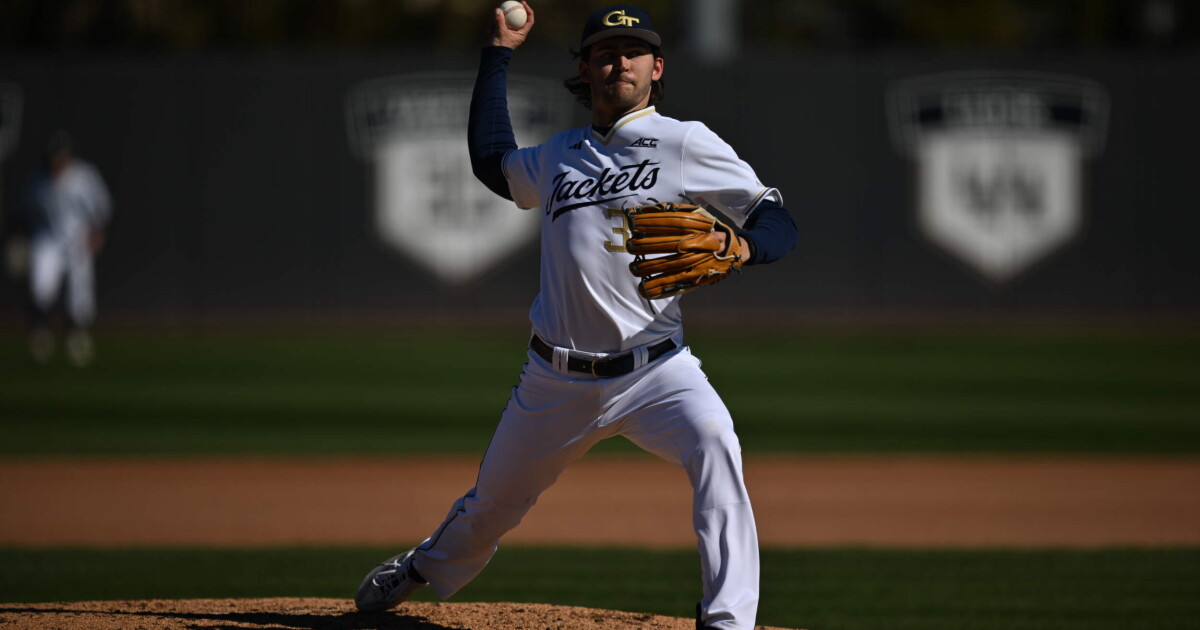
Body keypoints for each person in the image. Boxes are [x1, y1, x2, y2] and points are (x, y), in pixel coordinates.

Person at [354, 4, 797, 629]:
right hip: (554, 379)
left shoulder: (686, 141)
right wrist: (498, 53)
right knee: (493, 507)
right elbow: (492, 164)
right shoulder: (560, 154)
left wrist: (745, 246)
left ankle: (727, 621)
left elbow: (777, 219)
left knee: (716, 444)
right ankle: (423, 568)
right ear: (585, 69)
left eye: (633, 51)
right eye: (605, 52)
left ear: (656, 67)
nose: (619, 61)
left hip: (658, 370)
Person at [24, 130, 112, 366]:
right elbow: (27, 212)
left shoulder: (84, 176)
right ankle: (41, 334)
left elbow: (101, 207)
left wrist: (97, 231)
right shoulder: (38, 180)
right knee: (41, 286)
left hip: (77, 239)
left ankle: (77, 336)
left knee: (80, 295)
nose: (58, 164)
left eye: (61, 158)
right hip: (49, 239)